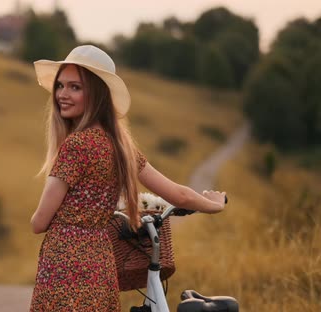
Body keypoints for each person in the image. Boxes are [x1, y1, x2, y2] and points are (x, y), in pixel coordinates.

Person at [29, 45, 227, 311]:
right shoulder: (121, 147)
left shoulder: (76, 146)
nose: (62, 94)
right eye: (60, 85)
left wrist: (66, 219)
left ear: (97, 94)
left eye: (75, 87)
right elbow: (177, 195)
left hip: (65, 265)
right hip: (100, 261)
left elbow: (39, 222)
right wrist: (214, 204)